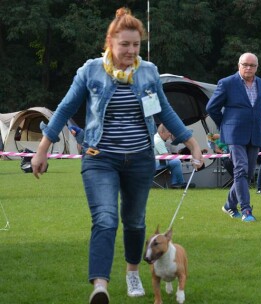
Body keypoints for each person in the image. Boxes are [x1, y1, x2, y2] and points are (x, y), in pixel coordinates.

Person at [30, 8, 203, 304]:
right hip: (100, 158)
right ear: (110, 41)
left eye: (136, 45)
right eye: (125, 44)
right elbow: (65, 109)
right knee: (106, 220)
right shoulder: (90, 71)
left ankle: (133, 271)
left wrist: (193, 143)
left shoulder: (147, 72)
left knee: (135, 222)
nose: (131, 51)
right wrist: (42, 150)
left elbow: (164, 111)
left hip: (140, 159)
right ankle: (100, 286)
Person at [206, 52, 261, 222]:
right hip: (234, 134)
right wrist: (225, 126)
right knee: (240, 169)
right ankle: (246, 210)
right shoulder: (227, 83)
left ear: (257, 67)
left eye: (252, 65)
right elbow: (212, 108)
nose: (248, 68)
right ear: (238, 65)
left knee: (247, 173)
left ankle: (229, 205)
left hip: (254, 133)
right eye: (245, 64)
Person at [154, 124, 195, 189]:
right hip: (154, 164)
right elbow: (166, 156)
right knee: (176, 162)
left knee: (175, 162)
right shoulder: (158, 141)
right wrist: (179, 157)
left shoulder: (157, 138)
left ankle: (177, 183)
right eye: (168, 132)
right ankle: (178, 183)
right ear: (162, 132)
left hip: (154, 163)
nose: (170, 134)